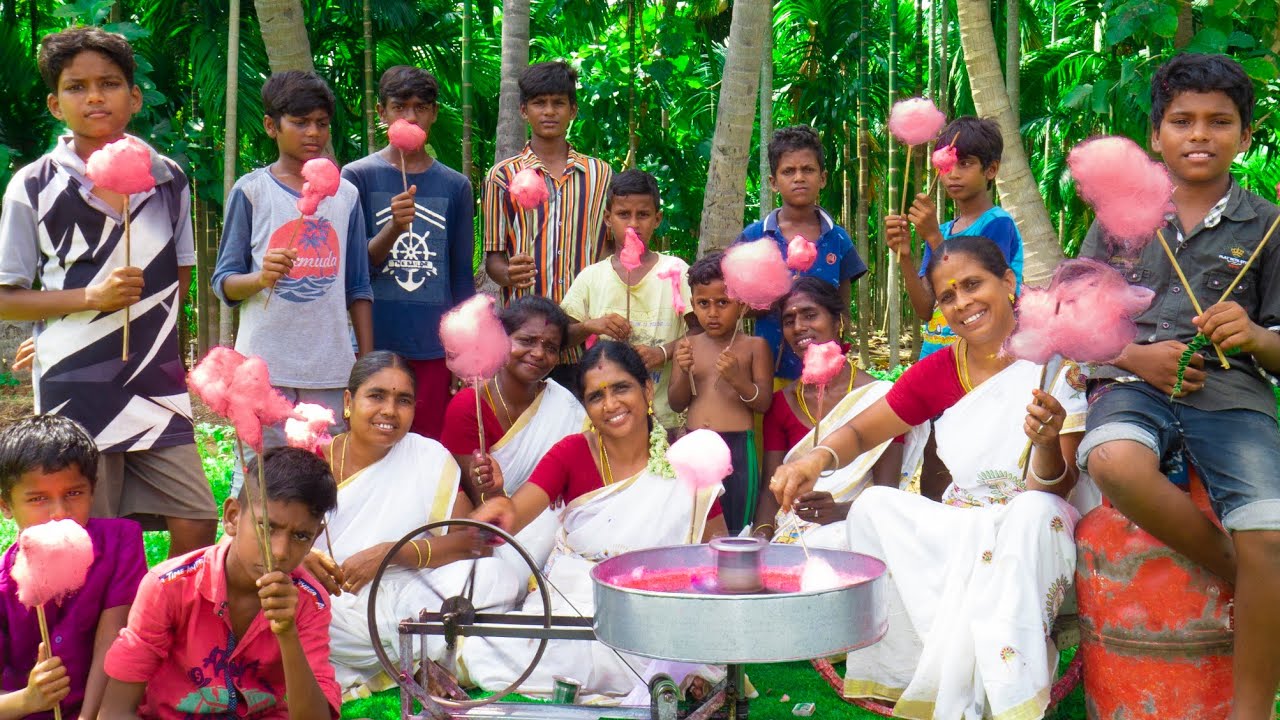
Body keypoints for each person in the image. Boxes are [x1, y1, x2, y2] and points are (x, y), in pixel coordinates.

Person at [770, 236, 1086, 720]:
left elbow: (1056, 488)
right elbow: (861, 431)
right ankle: (908, 675)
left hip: (1035, 517)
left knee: (1030, 512)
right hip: (964, 520)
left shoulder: (1056, 362)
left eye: (973, 285)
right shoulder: (941, 369)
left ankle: (1011, 694)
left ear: (1008, 282)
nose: (962, 303)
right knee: (875, 506)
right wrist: (814, 460)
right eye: (947, 296)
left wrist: (1044, 442)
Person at [1076, 53, 1280, 717]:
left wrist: (1254, 335)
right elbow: (1077, 320)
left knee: (1271, 534)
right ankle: (1246, 576)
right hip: (1129, 383)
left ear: (1245, 136)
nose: (1200, 134)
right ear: (1155, 134)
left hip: (1232, 395)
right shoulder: (1118, 218)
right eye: (1182, 120)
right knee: (1113, 460)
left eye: (1219, 121)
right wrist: (1138, 358)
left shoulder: (1269, 226)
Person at [0, 27, 216, 557]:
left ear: (134, 97)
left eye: (110, 83)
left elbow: (179, 275)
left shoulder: (168, 180)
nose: (95, 97)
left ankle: (163, 609)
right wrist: (85, 307)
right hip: (76, 388)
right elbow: (6, 296)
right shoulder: (33, 185)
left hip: (155, 382)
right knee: (88, 532)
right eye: (76, 87)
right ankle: (105, 611)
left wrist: (166, 346)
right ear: (55, 105)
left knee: (196, 517)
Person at [463, 341, 728, 703]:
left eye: (621, 388)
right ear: (586, 406)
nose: (611, 404)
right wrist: (497, 510)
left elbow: (716, 549)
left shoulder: (687, 458)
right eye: (596, 396)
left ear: (647, 389)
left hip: (656, 602)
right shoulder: (571, 452)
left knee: (656, 639)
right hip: (578, 596)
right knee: (528, 649)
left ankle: (668, 668)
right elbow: (516, 510)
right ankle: (666, 674)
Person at [322, 352, 522, 697]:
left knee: (497, 576)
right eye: (376, 396)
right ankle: (425, 657)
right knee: (305, 609)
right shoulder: (314, 460)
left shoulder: (427, 456)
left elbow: (471, 542)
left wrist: (393, 553)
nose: (389, 410)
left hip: (410, 595)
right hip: (339, 605)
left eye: (403, 400)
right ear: (348, 402)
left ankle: (408, 654)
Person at [212, 69, 373, 487]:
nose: (313, 133)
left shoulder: (347, 195)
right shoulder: (251, 191)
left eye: (321, 123)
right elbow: (224, 282)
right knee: (259, 478)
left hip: (331, 368)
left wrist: (366, 365)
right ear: (272, 126)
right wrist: (260, 278)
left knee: (325, 478)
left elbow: (358, 286)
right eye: (300, 123)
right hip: (265, 370)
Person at [100, 447, 342, 719]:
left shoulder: (309, 600)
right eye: (267, 527)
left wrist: (287, 634)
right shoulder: (168, 586)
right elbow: (115, 712)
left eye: (300, 536)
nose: (280, 552)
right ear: (232, 517)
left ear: (315, 537)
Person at [342, 66, 474, 440]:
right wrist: (394, 229)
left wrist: (462, 354)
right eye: (400, 107)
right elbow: (355, 269)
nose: (411, 117)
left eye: (421, 107)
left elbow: (461, 276)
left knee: (429, 446)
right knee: (374, 441)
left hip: (433, 348)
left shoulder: (455, 185)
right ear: (381, 112)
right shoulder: (357, 177)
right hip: (375, 342)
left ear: (434, 113)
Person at [754, 278, 926, 547]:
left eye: (810, 315)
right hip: (791, 532)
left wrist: (838, 511)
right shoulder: (781, 403)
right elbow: (770, 490)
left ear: (838, 322)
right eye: (789, 320)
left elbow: (886, 495)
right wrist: (761, 538)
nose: (798, 327)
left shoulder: (880, 399)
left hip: (857, 529)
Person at [0, 415, 145, 720]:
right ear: (5, 505)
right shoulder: (3, 585)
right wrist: (27, 700)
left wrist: (87, 717)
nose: (59, 512)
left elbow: (113, 637)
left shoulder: (121, 541)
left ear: (93, 490)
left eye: (74, 493)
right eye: (38, 499)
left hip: (105, 708)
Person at [482, 60, 613, 385]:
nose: (549, 112)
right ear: (524, 110)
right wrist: (508, 273)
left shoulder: (600, 175)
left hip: (585, 338)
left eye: (559, 103)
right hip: (525, 341)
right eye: (540, 103)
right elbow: (494, 258)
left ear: (573, 110)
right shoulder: (502, 176)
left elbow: (608, 249)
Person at [440, 296, 586, 580]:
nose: (538, 353)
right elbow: (480, 503)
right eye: (527, 341)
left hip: (555, 526)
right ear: (499, 340)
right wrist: (491, 487)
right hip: (492, 533)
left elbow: (575, 478)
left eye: (550, 347)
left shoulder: (564, 404)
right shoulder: (469, 406)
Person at [560, 169, 693, 429]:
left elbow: (702, 333)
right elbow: (561, 337)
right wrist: (590, 326)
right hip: (608, 417)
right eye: (623, 214)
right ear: (608, 218)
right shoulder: (592, 277)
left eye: (643, 215)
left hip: (663, 418)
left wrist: (663, 352)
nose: (633, 224)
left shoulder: (676, 270)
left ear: (657, 219)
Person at [885, 116, 1024, 359]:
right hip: (935, 355)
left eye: (965, 163)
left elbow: (987, 290)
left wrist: (933, 237)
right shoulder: (944, 230)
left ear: (991, 169)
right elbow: (925, 309)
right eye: (948, 165)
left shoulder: (997, 223)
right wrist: (904, 255)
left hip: (980, 359)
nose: (953, 174)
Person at [734, 126, 867, 380]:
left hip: (823, 371)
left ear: (823, 178)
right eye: (788, 171)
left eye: (808, 170)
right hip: (768, 373)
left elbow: (841, 307)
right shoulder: (754, 237)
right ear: (773, 182)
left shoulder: (837, 238)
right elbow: (734, 305)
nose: (799, 178)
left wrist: (839, 343)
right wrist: (775, 299)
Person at [669, 252, 773, 534]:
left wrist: (738, 380)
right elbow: (677, 403)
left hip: (737, 447)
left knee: (737, 524)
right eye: (703, 304)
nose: (713, 313)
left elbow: (763, 402)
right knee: (696, 523)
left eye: (723, 303)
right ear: (693, 305)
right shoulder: (688, 345)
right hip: (694, 444)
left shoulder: (754, 347)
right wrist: (684, 371)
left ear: (741, 305)